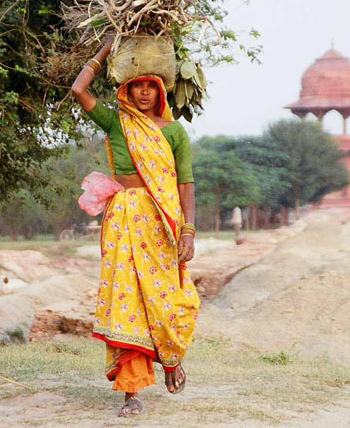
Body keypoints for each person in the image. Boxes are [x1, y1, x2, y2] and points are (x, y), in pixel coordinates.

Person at [71, 37, 200, 417]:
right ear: (126, 88)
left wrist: (188, 231)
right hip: (122, 220)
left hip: (162, 221)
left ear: (160, 90)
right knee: (126, 301)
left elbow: (186, 183)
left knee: (162, 298)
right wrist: (106, 50)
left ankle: (172, 357)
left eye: (150, 86)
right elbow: (79, 89)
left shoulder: (174, 132)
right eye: (136, 85)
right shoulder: (116, 121)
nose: (143, 93)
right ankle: (132, 393)